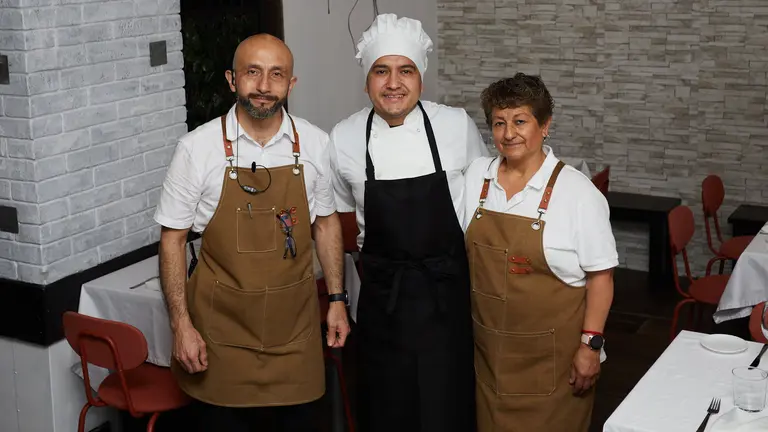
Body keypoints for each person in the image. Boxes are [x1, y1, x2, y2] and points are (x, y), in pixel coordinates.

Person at [153, 34, 350, 431]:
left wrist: (337, 299)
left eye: (276, 75)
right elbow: (172, 240)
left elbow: (326, 224)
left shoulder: (315, 143)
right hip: (219, 338)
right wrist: (181, 325)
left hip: (294, 333)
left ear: (291, 84)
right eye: (252, 73)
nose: (263, 87)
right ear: (231, 79)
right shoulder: (197, 149)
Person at [328, 13, 489, 432]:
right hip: (384, 305)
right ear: (366, 80)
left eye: (406, 71)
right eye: (381, 71)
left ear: (421, 77)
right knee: (386, 408)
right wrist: (337, 300)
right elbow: (341, 217)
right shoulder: (343, 139)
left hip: (447, 299)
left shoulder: (456, 126)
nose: (393, 83)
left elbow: (480, 208)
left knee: (447, 406)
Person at [463, 73, 617, 431]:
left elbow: (602, 277)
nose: (508, 133)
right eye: (499, 123)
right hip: (489, 359)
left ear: (545, 126)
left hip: (554, 369)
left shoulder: (578, 194)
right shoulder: (475, 179)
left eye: (520, 121)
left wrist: (590, 348)